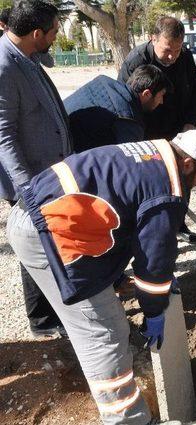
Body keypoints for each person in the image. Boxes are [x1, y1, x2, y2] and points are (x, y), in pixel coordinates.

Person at [7, 130, 196, 424]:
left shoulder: (152, 154)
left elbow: (121, 207)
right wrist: (154, 309)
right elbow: (154, 259)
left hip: (41, 212)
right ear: (188, 164)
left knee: (107, 321)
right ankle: (129, 420)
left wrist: (117, 277)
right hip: (47, 232)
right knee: (105, 330)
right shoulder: (167, 188)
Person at [0, 0, 71, 338]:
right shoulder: (4, 65)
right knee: (35, 241)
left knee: (51, 241)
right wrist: (26, 188)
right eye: (54, 31)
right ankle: (41, 323)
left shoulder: (26, 56)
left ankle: (56, 306)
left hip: (47, 174)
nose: (57, 36)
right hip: (30, 181)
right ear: (36, 33)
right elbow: (4, 136)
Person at [119, 16, 196, 244]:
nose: (172, 56)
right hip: (147, 133)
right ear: (152, 38)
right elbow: (124, 102)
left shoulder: (184, 57)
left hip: (179, 130)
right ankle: (149, 230)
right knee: (151, 182)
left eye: (177, 50)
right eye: (167, 50)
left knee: (184, 174)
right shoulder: (135, 61)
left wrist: (190, 123)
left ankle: (179, 223)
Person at [65, 65, 171, 153]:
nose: (161, 101)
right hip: (66, 159)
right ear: (146, 94)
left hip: (57, 136)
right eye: (161, 95)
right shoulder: (129, 123)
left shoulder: (102, 82)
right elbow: (127, 166)